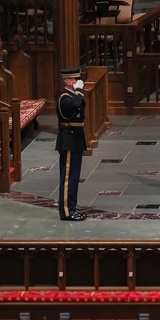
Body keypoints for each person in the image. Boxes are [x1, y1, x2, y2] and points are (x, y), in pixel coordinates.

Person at [56, 66, 88, 221]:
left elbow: (80, 106)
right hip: (68, 140)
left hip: (75, 139)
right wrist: (79, 91)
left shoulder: (72, 95)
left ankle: (73, 208)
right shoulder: (64, 97)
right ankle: (67, 212)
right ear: (69, 82)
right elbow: (75, 105)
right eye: (76, 79)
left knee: (74, 177)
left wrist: (78, 93)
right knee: (68, 178)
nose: (78, 81)